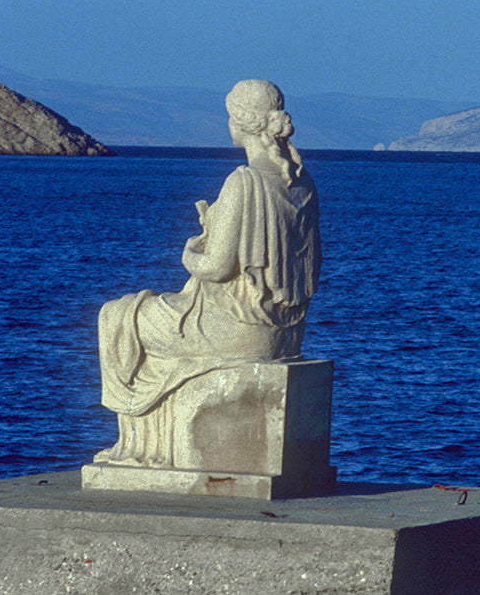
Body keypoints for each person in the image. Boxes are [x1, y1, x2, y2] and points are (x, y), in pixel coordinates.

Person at [96, 79, 321, 464]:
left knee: (117, 316)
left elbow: (216, 269)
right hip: (285, 334)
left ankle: (140, 448)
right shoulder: (303, 184)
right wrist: (213, 227)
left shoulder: (244, 181)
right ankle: (147, 445)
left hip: (236, 330)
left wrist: (189, 251)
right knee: (139, 312)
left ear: (240, 122)